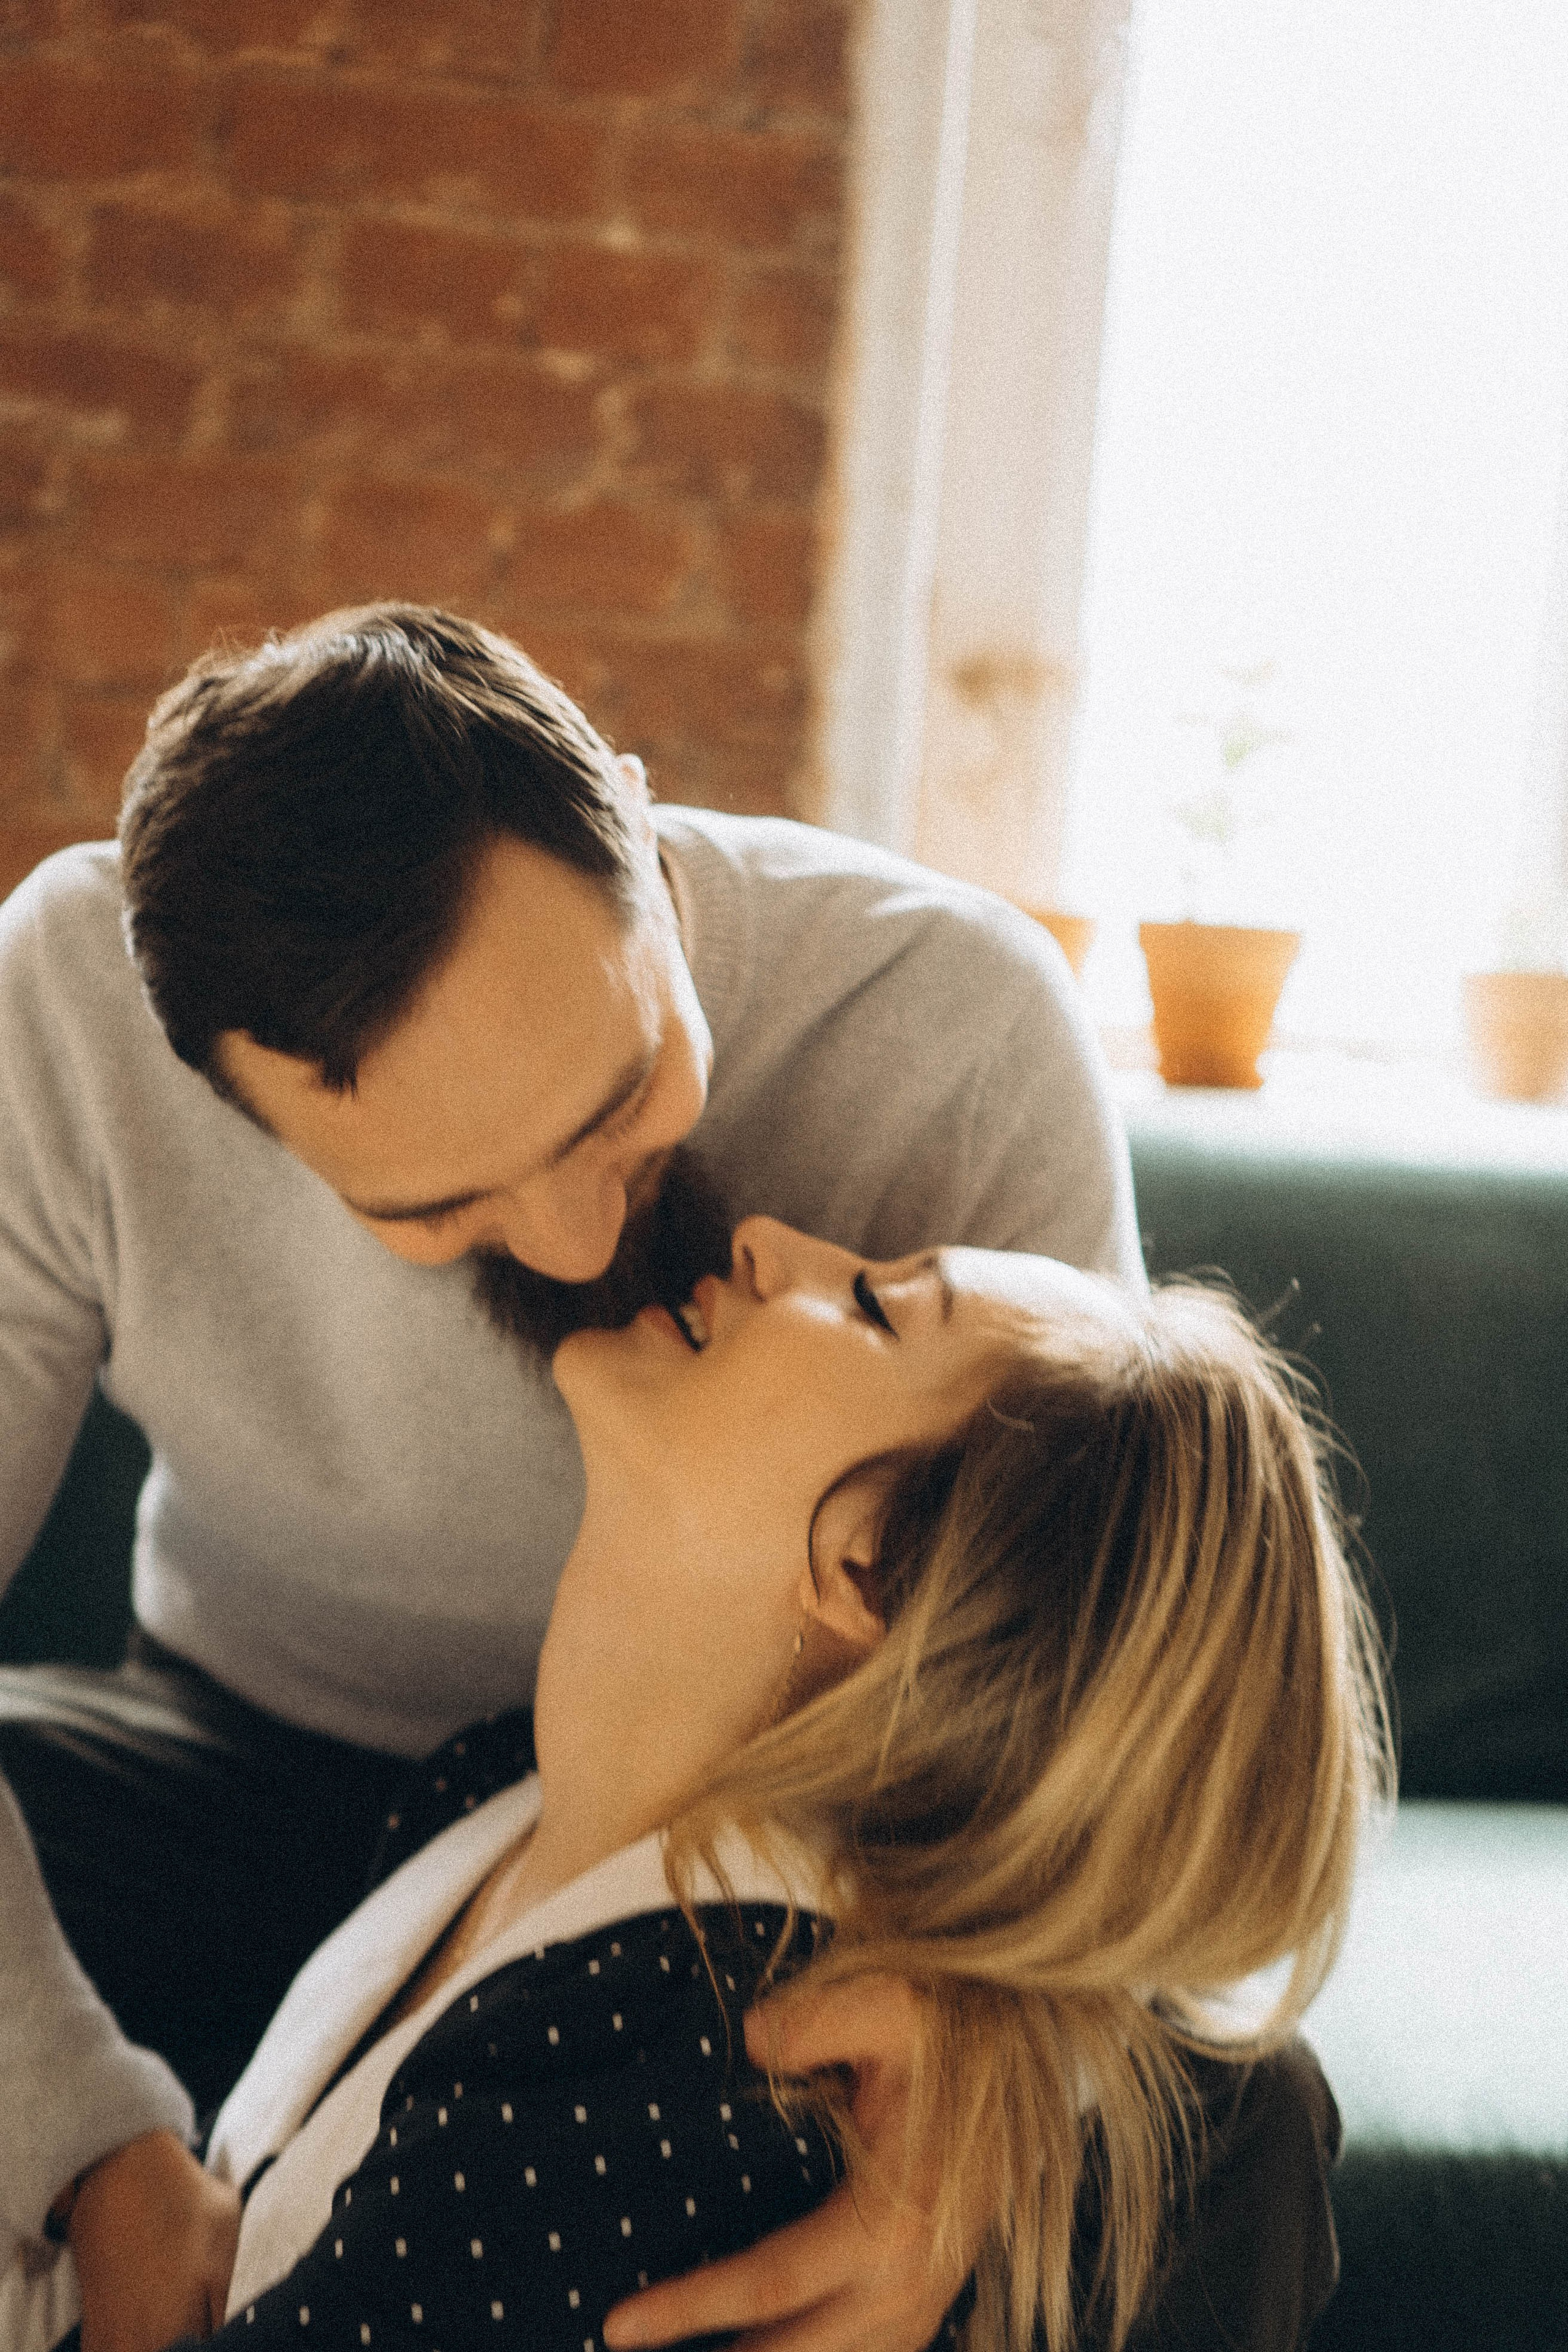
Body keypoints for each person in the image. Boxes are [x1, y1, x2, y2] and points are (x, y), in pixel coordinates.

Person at [0, 605, 1315, 2352]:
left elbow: (1135, 1663)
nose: (571, 1238)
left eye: (622, 1094)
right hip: (241, 1769)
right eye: (428, 1209)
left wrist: (993, 2078)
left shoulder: (963, 1023)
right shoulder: (77, 1008)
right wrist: (89, 2137)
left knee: (1242, 2118)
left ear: (635, 818)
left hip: (775, 1857)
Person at [2, 1214, 1390, 2352]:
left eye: (873, 1305)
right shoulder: (487, 1794)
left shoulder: (667, 2065)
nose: (769, 1236)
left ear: (867, 1564)